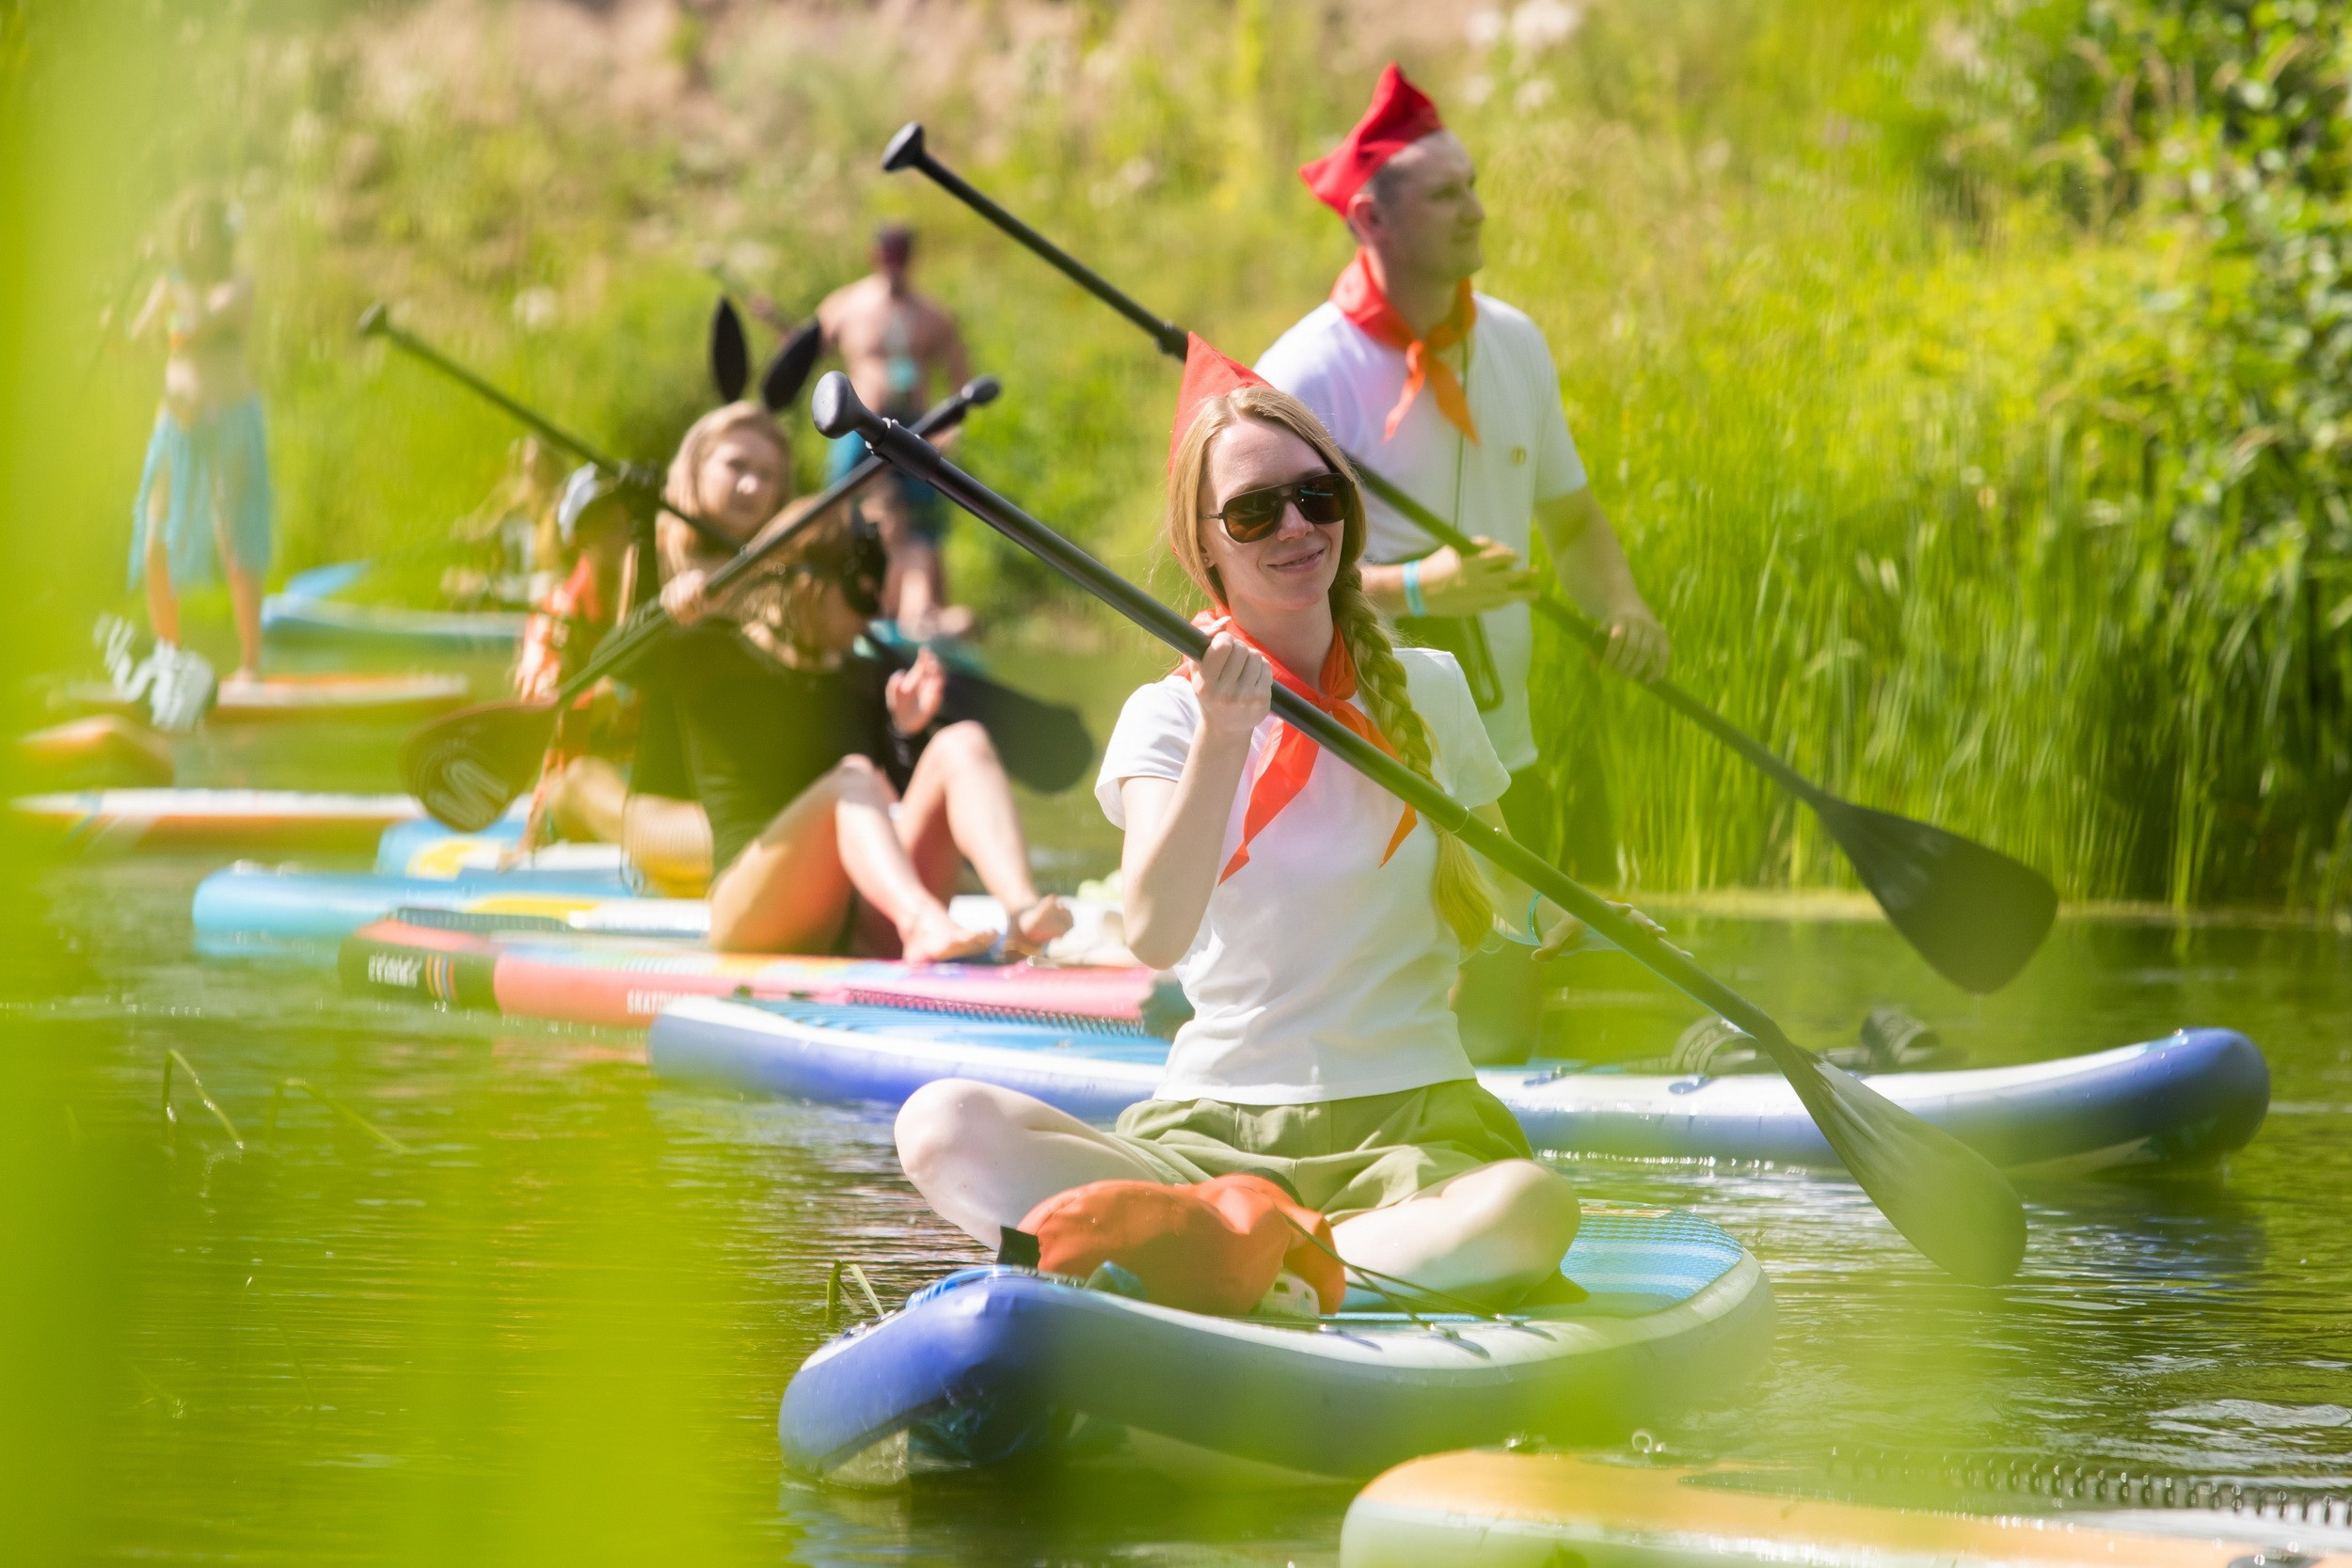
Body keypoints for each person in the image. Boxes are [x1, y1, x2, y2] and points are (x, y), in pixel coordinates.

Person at [893, 343, 1665, 1308]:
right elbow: (1155, 932)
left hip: (1409, 1130)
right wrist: (1224, 735)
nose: (1296, 526)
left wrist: (1576, 918)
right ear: (1205, 546)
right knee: (938, 1123)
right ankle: (1270, 1255)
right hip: (1208, 1138)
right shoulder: (1166, 715)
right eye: (1255, 511)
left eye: (1315, 496)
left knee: (1530, 1205)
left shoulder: (1429, 686)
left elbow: (1504, 887)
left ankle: (1253, 1260)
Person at [1255, 64, 1671, 1061]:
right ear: (1370, 219)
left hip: (1497, 750)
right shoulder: (1303, 374)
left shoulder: (1516, 343)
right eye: (1446, 194)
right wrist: (1413, 588)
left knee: (1499, 1033)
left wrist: (1624, 605)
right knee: (1385, 1021)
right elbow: (1255, 579)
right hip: (1359, 754)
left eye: (1473, 185)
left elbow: (1572, 520)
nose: (1476, 209)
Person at [646, 507, 1070, 962]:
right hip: (755, 913)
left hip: (859, 916)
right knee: (853, 777)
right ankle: (920, 923)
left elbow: (900, 810)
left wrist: (907, 734)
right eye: (863, 596)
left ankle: (1022, 912)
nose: (874, 616)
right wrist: (665, 612)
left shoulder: (863, 679)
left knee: (963, 742)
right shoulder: (713, 658)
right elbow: (617, 663)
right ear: (809, 587)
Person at [128, 192, 273, 682]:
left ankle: (250, 666)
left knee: (236, 537)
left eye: (204, 231)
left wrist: (172, 280)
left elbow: (199, 323)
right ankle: (168, 659)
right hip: (177, 425)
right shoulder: (175, 285)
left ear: (223, 237)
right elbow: (137, 339)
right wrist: (111, 331)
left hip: (231, 422)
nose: (193, 241)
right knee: (155, 536)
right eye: (188, 231)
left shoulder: (238, 286)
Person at [815, 224, 973, 638]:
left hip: (915, 425)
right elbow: (804, 353)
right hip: (858, 420)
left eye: (901, 257)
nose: (894, 266)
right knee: (839, 508)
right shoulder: (845, 305)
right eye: (888, 256)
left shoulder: (933, 314)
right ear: (875, 256)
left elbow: (960, 377)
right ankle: (830, 598)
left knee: (923, 521)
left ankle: (924, 611)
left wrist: (949, 428)